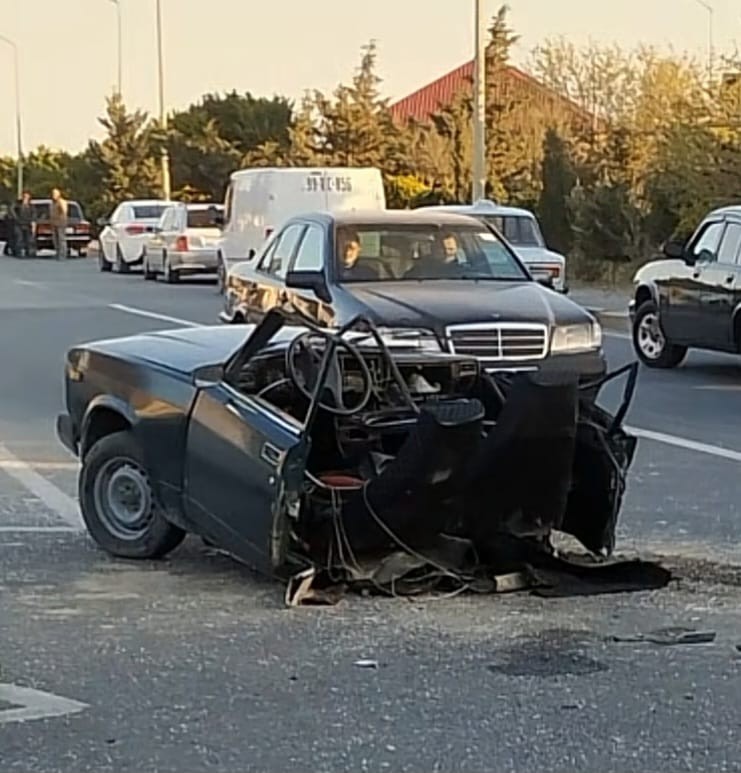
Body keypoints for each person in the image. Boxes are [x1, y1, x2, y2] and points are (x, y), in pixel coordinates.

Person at [13, 191, 36, 258]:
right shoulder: (18, 204)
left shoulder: (31, 205)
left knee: (28, 240)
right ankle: (18, 253)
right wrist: (16, 218)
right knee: (19, 239)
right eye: (24, 196)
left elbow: (34, 214)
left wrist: (33, 222)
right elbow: (12, 209)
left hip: (28, 224)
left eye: (27, 196)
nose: (26, 197)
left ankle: (28, 253)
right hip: (19, 224)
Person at [50, 187, 68, 260]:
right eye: (53, 194)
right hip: (54, 223)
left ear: (59, 194)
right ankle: (57, 253)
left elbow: (64, 212)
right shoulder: (52, 203)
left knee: (61, 239)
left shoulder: (62, 202)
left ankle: (63, 254)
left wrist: (61, 221)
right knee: (55, 240)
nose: (53, 195)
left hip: (60, 224)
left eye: (55, 194)